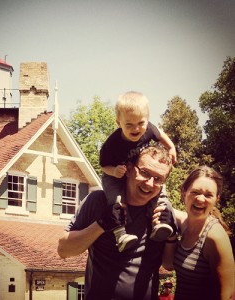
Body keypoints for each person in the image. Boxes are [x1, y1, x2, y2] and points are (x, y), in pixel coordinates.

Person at [58, 146, 177, 300]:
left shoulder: (162, 213)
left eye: (158, 179)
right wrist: (102, 224)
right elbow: (63, 250)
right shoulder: (98, 201)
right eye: (145, 173)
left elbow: (169, 264)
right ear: (128, 169)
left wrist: (172, 234)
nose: (149, 183)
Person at [100, 91, 177, 251]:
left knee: (161, 192)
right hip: (114, 174)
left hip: (136, 172)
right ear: (118, 122)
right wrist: (114, 171)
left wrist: (171, 147)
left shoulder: (149, 130)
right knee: (116, 202)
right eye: (129, 125)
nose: (136, 129)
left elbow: (161, 134)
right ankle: (120, 234)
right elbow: (103, 166)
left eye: (140, 123)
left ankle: (160, 224)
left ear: (147, 121)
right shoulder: (112, 144)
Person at [160, 166, 234, 300]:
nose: (200, 199)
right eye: (195, 192)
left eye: (208, 195)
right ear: (184, 192)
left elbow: (228, 295)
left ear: (216, 199)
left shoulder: (214, 237)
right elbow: (168, 265)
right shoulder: (184, 222)